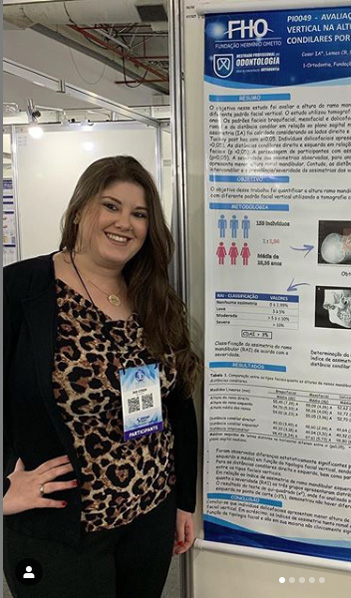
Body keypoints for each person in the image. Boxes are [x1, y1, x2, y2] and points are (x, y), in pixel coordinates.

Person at [3, 156, 200, 598]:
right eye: (111, 206)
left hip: (150, 514)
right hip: (61, 528)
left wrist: (183, 500)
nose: (124, 223)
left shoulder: (153, 293)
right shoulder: (20, 289)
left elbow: (178, 402)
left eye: (139, 214)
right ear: (79, 210)